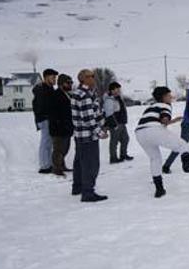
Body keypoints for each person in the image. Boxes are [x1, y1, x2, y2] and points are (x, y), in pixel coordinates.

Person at [135, 87, 189, 198]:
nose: (171, 97)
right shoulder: (165, 105)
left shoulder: (151, 107)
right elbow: (164, 118)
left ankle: (159, 189)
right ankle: (187, 165)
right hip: (154, 130)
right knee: (183, 145)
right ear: (163, 97)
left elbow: (159, 121)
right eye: (169, 95)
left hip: (140, 133)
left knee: (155, 159)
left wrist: (173, 120)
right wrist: (168, 119)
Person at [71, 69, 109, 202]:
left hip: (80, 135)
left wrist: (103, 122)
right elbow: (88, 118)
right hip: (87, 136)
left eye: (94, 76)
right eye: (91, 76)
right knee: (91, 164)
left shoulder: (83, 93)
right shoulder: (84, 95)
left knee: (80, 162)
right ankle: (88, 192)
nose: (94, 78)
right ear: (84, 79)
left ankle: (78, 187)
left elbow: (95, 113)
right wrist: (99, 132)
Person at [32, 68, 58, 174]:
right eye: (53, 77)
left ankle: (48, 164)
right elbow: (41, 106)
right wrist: (46, 115)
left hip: (48, 118)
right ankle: (44, 166)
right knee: (45, 141)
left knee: (49, 142)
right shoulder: (41, 89)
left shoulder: (49, 88)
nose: (55, 79)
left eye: (55, 77)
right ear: (46, 77)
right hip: (44, 118)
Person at [49, 74, 74, 177]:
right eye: (68, 83)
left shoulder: (67, 94)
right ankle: (56, 168)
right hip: (58, 128)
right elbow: (54, 113)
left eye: (71, 82)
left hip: (66, 127)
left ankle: (62, 165)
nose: (70, 84)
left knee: (65, 148)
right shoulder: (56, 95)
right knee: (58, 149)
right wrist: (59, 123)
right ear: (61, 84)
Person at [103, 81, 133, 164]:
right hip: (115, 124)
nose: (119, 91)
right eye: (117, 89)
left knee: (125, 139)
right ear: (112, 90)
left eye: (119, 89)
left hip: (122, 122)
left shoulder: (118, 98)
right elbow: (109, 114)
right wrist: (114, 125)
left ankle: (123, 154)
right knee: (114, 141)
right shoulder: (109, 100)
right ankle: (113, 158)